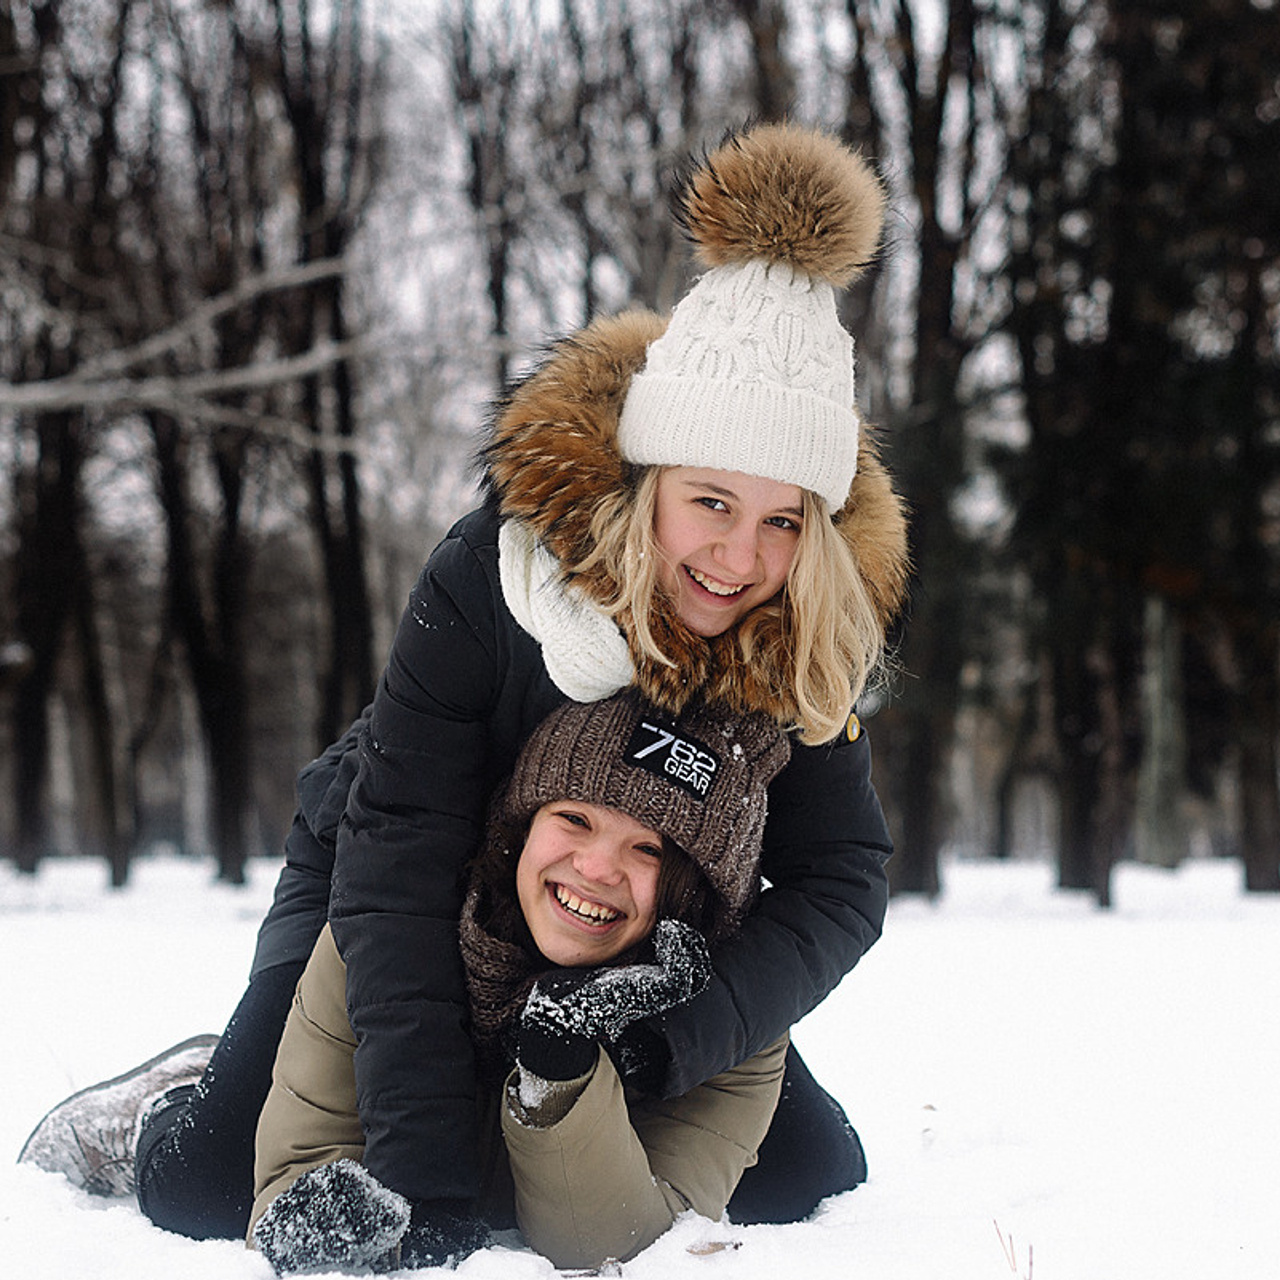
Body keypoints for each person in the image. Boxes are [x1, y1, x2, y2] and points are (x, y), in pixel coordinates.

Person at [18, 122, 909, 1250]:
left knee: (807, 1173)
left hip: (615, 927)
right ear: (649, 478)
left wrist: (668, 1039)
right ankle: (170, 1095)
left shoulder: (799, 634)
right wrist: (425, 1180)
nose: (740, 557)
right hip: (392, 872)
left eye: (784, 520)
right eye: (711, 502)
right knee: (207, 1183)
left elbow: (840, 875)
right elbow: (397, 849)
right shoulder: (497, 575)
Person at [248, 691, 792, 1273]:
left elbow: (624, 1245)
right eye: (575, 819)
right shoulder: (395, 934)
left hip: (705, 1045)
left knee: (808, 1172)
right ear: (523, 824)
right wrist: (323, 1212)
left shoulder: (736, 1014)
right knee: (201, 1177)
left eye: (649, 850)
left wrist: (559, 1070)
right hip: (344, 861)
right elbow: (303, 1158)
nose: (595, 868)